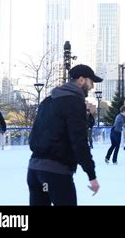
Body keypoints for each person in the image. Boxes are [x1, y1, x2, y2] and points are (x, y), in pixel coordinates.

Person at [28, 64, 101, 205]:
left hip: (35, 172)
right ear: (81, 80)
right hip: (56, 175)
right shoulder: (75, 102)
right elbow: (79, 142)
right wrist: (91, 175)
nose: (92, 87)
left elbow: (35, 134)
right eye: (91, 82)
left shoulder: (48, 100)